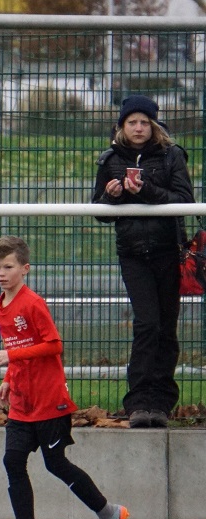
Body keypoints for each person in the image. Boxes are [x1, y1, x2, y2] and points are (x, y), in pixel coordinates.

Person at [0, 236, 129, 519]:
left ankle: (109, 513)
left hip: (49, 400)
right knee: (12, 460)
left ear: (25, 269)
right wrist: (9, 379)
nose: (2, 273)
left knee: (56, 464)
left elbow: (53, 345)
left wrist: (10, 357)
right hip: (22, 401)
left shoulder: (33, 303)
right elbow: (20, 347)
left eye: (9, 267)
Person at [92, 94, 194, 428]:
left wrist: (144, 190)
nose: (138, 128)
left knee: (167, 328)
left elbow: (184, 201)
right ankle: (138, 402)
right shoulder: (110, 158)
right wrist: (113, 196)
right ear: (122, 125)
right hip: (133, 254)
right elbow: (99, 211)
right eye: (132, 122)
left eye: (144, 122)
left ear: (153, 125)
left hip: (168, 252)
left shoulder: (171, 156)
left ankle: (161, 404)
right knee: (147, 324)